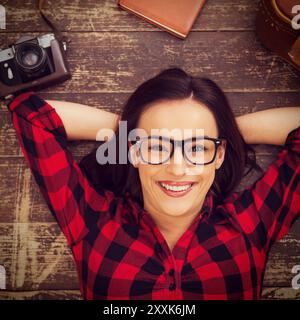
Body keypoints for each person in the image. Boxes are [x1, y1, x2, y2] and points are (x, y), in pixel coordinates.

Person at [6, 68, 300, 300]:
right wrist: (128, 128)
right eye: (157, 146)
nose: (177, 168)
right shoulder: (91, 222)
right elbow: (34, 117)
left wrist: (227, 132)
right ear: (132, 150)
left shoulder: (250, 226)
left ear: (219, 155)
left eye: (197, 148)